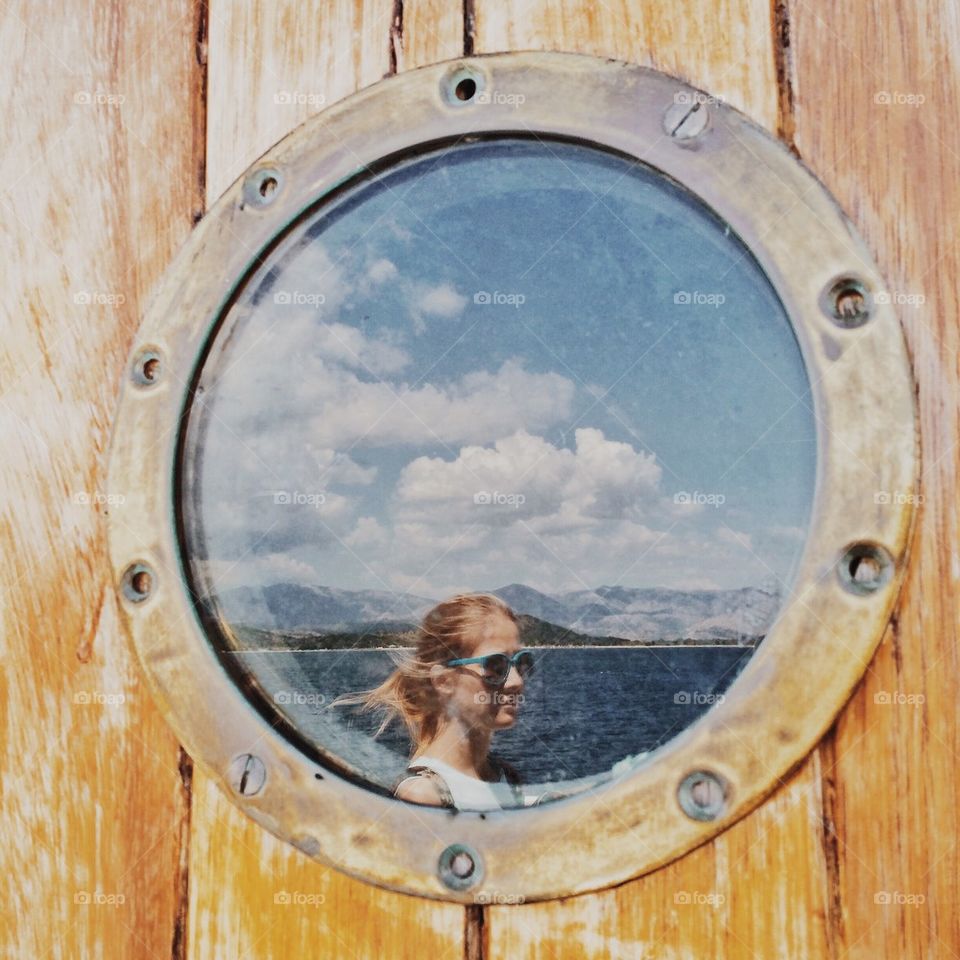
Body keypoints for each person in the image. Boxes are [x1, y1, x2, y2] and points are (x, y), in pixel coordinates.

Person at [330, 592, 535, 811]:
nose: (516, 681)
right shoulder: (424, 795)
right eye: (496, 666)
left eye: (521, 663)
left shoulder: (505, 777)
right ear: (443, 681)